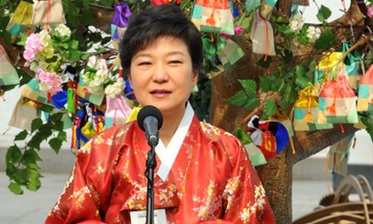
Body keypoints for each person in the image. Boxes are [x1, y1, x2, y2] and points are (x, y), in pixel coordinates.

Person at [45, 4, 275, 224]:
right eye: (145, 63)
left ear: (194, 74)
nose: (160, 75)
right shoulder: (102, 152)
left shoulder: (227, 152)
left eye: (174, 61)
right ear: (129, 77)